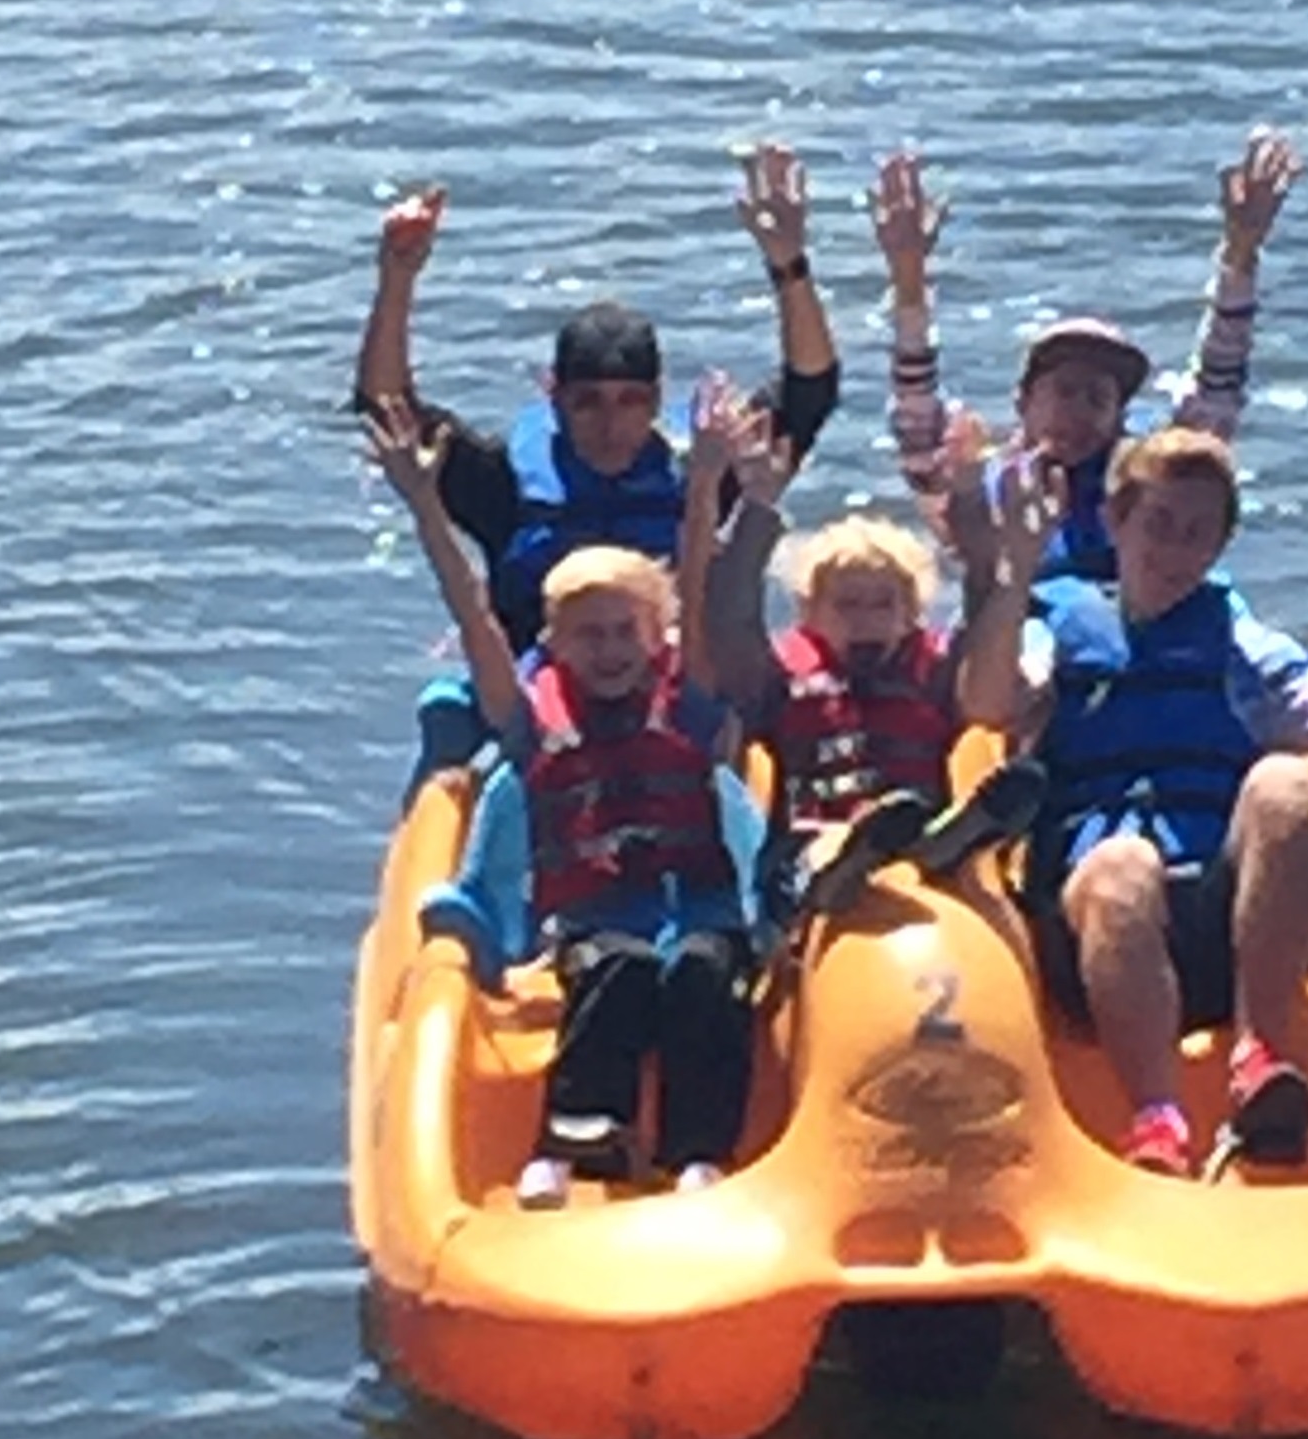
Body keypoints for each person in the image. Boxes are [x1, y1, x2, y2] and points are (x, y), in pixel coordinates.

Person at [959, 424, 1308, 1177]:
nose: (1173, 551)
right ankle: (1157, 1119)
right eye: (1157, 524)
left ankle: (1261, 1058)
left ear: (1218, 548)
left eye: (1196, 534)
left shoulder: (1241, 646)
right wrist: (1013, 571)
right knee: (1123, 863)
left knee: (1286, 783)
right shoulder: (1056, 625)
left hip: (1227, 928)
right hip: (1103, 931)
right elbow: (987, 703)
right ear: (1116, 521)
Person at [368, 395, 755, 1212]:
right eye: (588, 634)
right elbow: (471, 610)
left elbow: (696, 572)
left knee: (700, 972)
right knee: (616, 965)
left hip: (698, 905)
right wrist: (423, 502)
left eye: (624, 632)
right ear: (555, 638)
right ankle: (569, 1138)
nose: (608, 651)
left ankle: (700, 1155)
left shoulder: (686, 700)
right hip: (595, 913)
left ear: (656, 637)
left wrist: (709, 481)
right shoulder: (529, 717)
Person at [356, 144, 841, 785]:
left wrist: (789, 266)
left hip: (674, 691)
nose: (610, 425)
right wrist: (397, 278)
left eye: (630, 402)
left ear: (657, 399)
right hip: (537, 697)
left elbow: (811, 390)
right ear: (553, 395)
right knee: (447, 714)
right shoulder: (503, 481)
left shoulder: (701, 469)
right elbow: (385, 406)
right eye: (587, 404)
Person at [871, 128, 1300, 595]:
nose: (1077, 413)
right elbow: (915, 409)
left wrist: (1241, 255)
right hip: (1015, 654)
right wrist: (909, 282)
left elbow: (1219, 385)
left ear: (1119, 417)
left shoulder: (1149, 477)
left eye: (1097, 398)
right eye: (1064, 391)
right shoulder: (975, 483)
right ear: (1023, 403)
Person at [693, 377, 1053, 921]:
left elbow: (984, 620)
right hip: (814, 843)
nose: (865, 620)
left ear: (912, 613)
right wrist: (756, 505)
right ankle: (847, 867)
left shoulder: (932, 670)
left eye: (882, 605)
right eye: (846, 605)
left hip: (915, 827)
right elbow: (731, 620)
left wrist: (971, 496)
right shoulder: (781, 677)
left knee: (926, 817)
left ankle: (949, 842)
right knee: (818, 851)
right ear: (810, 612)